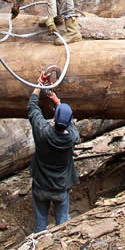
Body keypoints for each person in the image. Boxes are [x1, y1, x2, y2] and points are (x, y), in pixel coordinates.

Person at [27, 71, 80, 233]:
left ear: (54, 119)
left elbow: (32, 108)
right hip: (60, 188)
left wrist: (39, 84)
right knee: (63, 225)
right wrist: (58, 103)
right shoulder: (72, 138)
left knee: (40, 226)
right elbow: (69, 124)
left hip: (41, 187)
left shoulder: (42, 131)